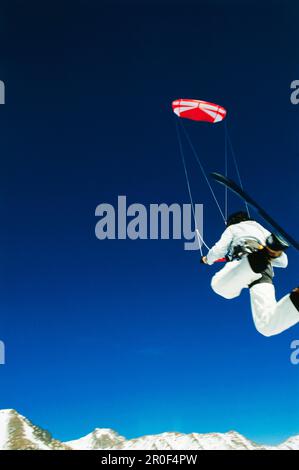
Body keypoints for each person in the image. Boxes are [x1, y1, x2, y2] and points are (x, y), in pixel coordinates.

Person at [201, 211, 299, 337]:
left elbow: (218, 250)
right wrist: (269, 252)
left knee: (220, 286)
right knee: (267, 325)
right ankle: (261, 256)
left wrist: (207, 260)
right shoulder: (261, 229)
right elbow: (283, 261)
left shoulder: (233, 228)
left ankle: (258, 258)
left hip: (244, 260)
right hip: (264, 271)